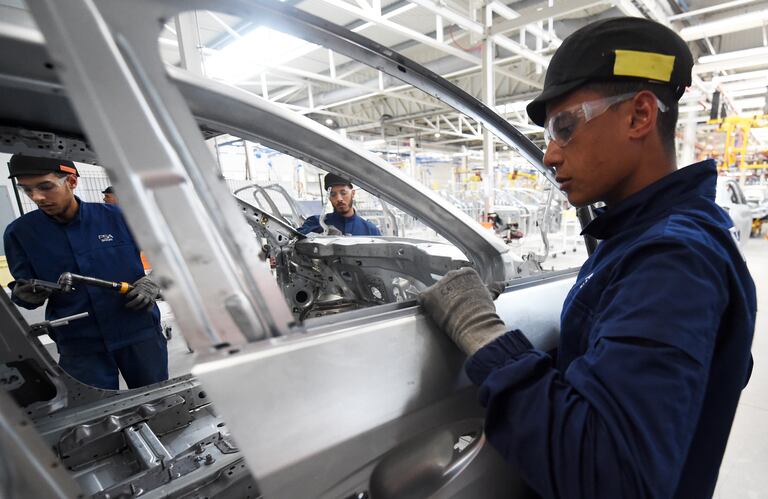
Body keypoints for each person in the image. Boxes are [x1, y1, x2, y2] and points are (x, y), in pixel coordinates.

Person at [419, 17, 756, 499]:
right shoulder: (641, 239)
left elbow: (609, 478)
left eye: (564, 126)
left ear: (640, 116)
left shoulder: (673, 259)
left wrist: (483, 332)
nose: (551, 154)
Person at [4, 155, 168, 390]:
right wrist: (25, 294)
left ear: (71, 181)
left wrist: (153, 282)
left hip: (138, 332)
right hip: (79, 344)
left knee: (158, 401)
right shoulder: (19, 233)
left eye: (45, 187)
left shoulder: (118, 218)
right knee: (95, 417)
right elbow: (23, 290)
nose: (36, 197)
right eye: (27, 190)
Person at [297, 173, 381, 236]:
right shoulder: (315, 222)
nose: (339, 199)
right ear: (329, 198)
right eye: (333, 195)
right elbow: (295, 238)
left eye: (343, 193)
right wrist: (322, 231)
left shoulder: (371, 230)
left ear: (353, 193)